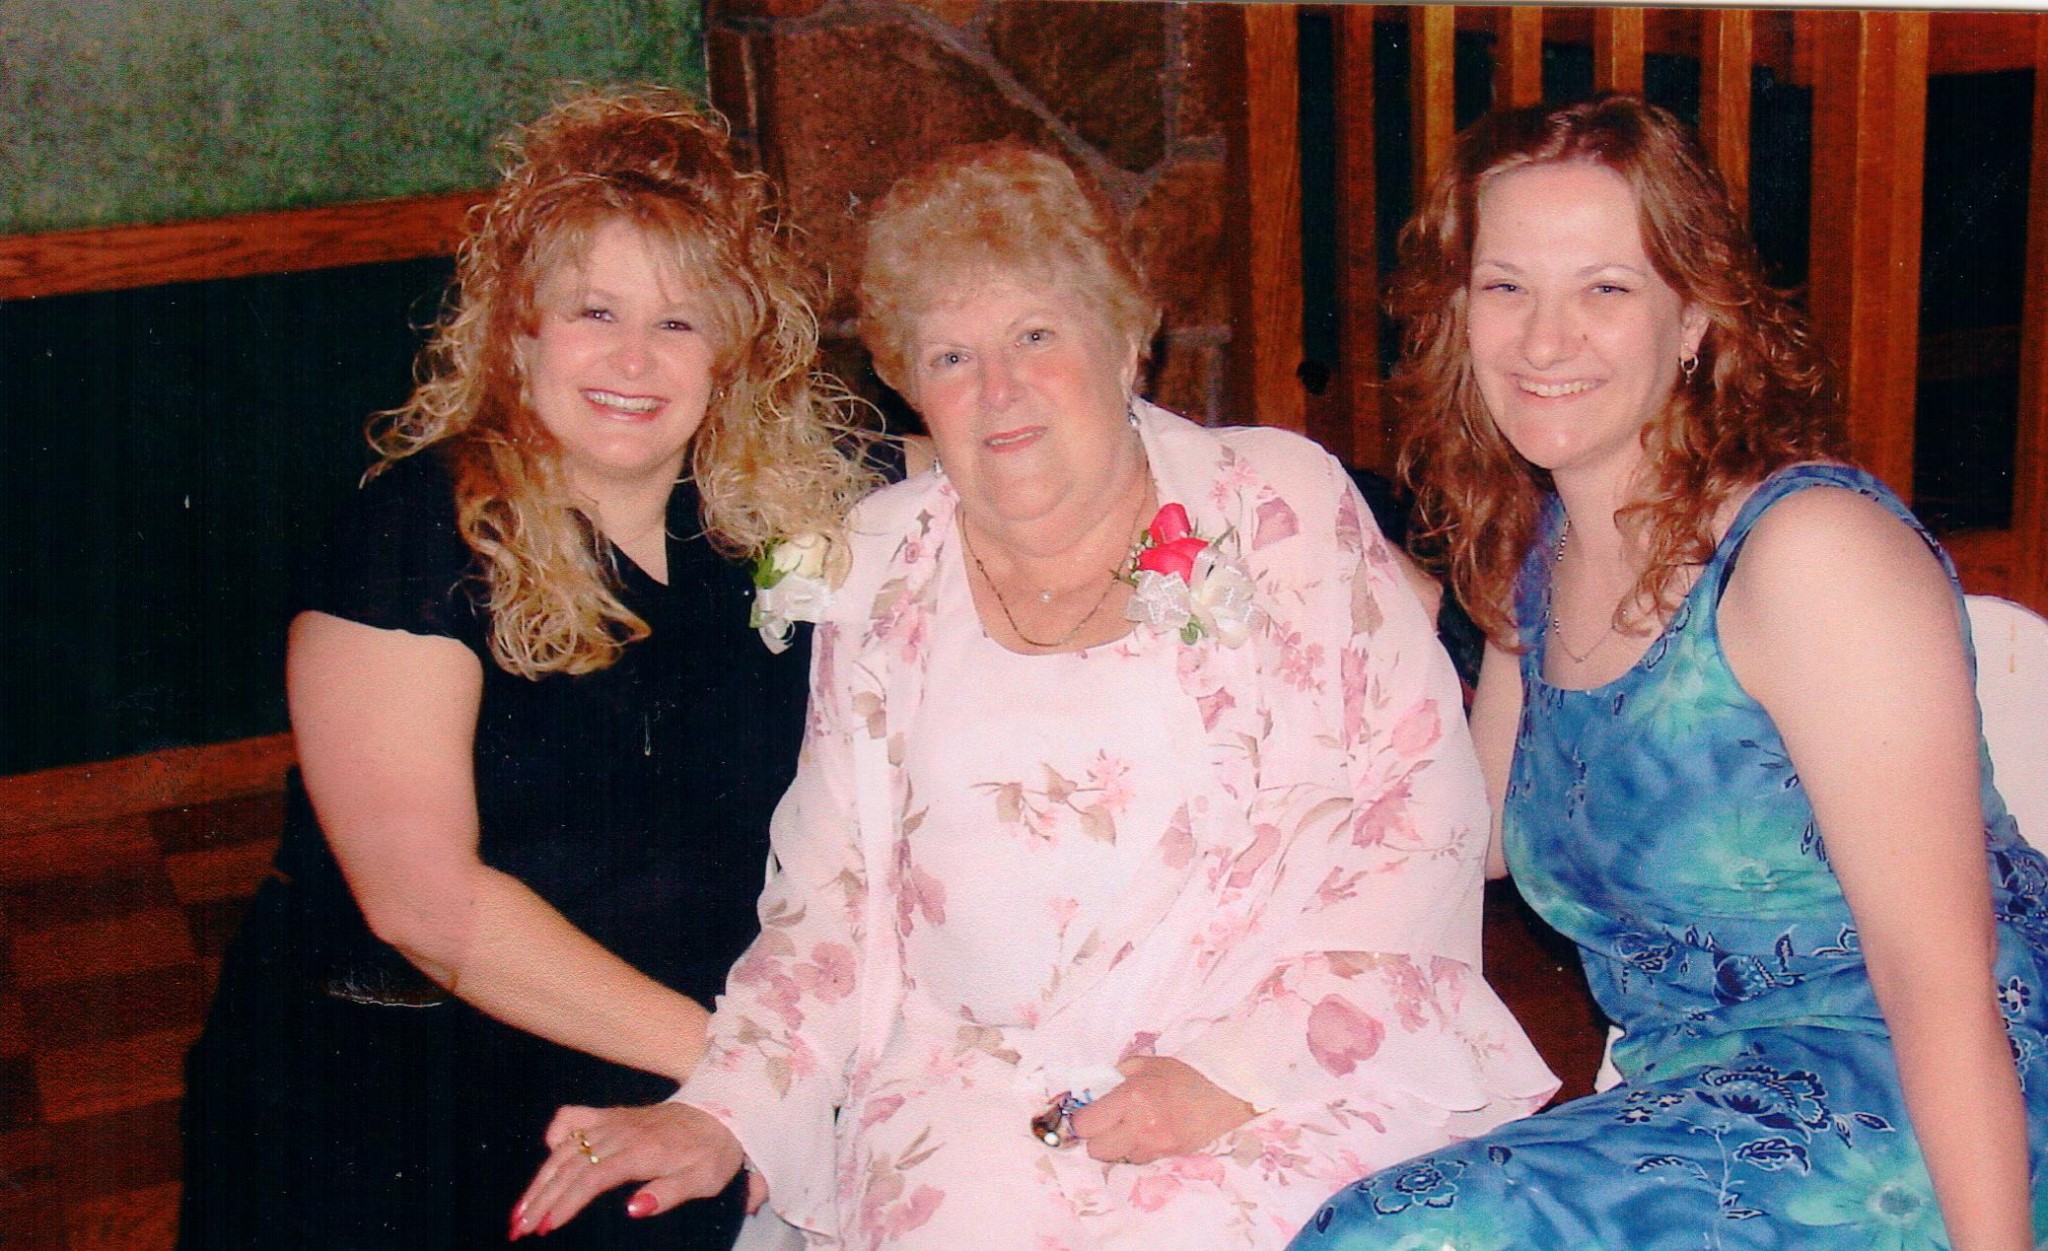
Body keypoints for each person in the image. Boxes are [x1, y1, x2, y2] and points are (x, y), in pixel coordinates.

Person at [508, 141, 1557, 1249]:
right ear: (911, 387)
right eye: (951, 356)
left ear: (1126, 345)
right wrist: (726, 1106)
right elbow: (832, 893)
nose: (996, 389)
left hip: (1275, 1074)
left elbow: (1416, 813)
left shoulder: (1274, 504)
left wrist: (1237, 1071)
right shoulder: (880, 563)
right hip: (973, 1097)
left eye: (1035, 337)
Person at [1293, 95, 2048, 1251]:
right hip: (1714, 1101)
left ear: (1693, 314)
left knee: (1393, 1236)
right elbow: (1473, 832)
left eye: (1603, 288)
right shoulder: (1542, 550)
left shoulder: (1806, 557)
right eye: (1505, 286)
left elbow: (1937, 986)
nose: (1543, 341)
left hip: (1931, 1098)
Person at [179, 86, 886, 1248]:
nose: (633, 359)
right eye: (593, 311)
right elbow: (424, 906)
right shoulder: (411, 537)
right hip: (413, 1076)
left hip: (660, 1030)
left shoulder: (758, 513)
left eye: (679, 322)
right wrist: (756, 1074)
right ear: (518, 333)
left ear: (731, 353)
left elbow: (998, 448)